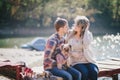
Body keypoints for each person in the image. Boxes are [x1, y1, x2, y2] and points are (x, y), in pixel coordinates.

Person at [66, 16, 99, 80]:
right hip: (76, 61)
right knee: (84, 72)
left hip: (88, 60)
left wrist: (86, 30)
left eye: (78, 25)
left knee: (94, 72)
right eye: (75, 23)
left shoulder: (88, 35)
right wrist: (72, 53)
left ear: (83, 28)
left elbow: (86, 45)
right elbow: (65, 48)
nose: (75, 26)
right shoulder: (69, 34)